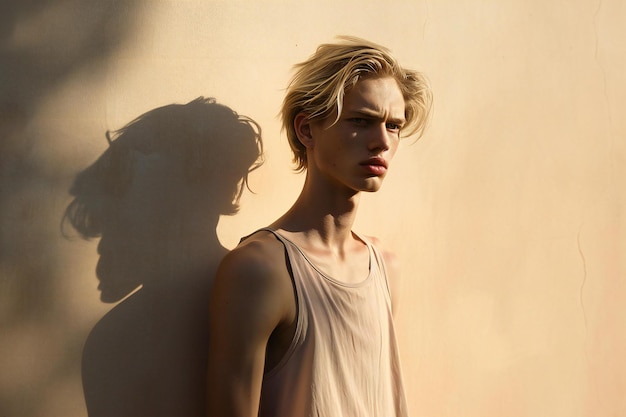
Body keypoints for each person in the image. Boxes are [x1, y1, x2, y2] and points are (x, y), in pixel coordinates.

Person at [207, 36, 432, 417]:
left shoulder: (385, 266)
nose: (382, 142)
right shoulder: (260, 269)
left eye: (394, 126)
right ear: (307, 130)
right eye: (362, 121)